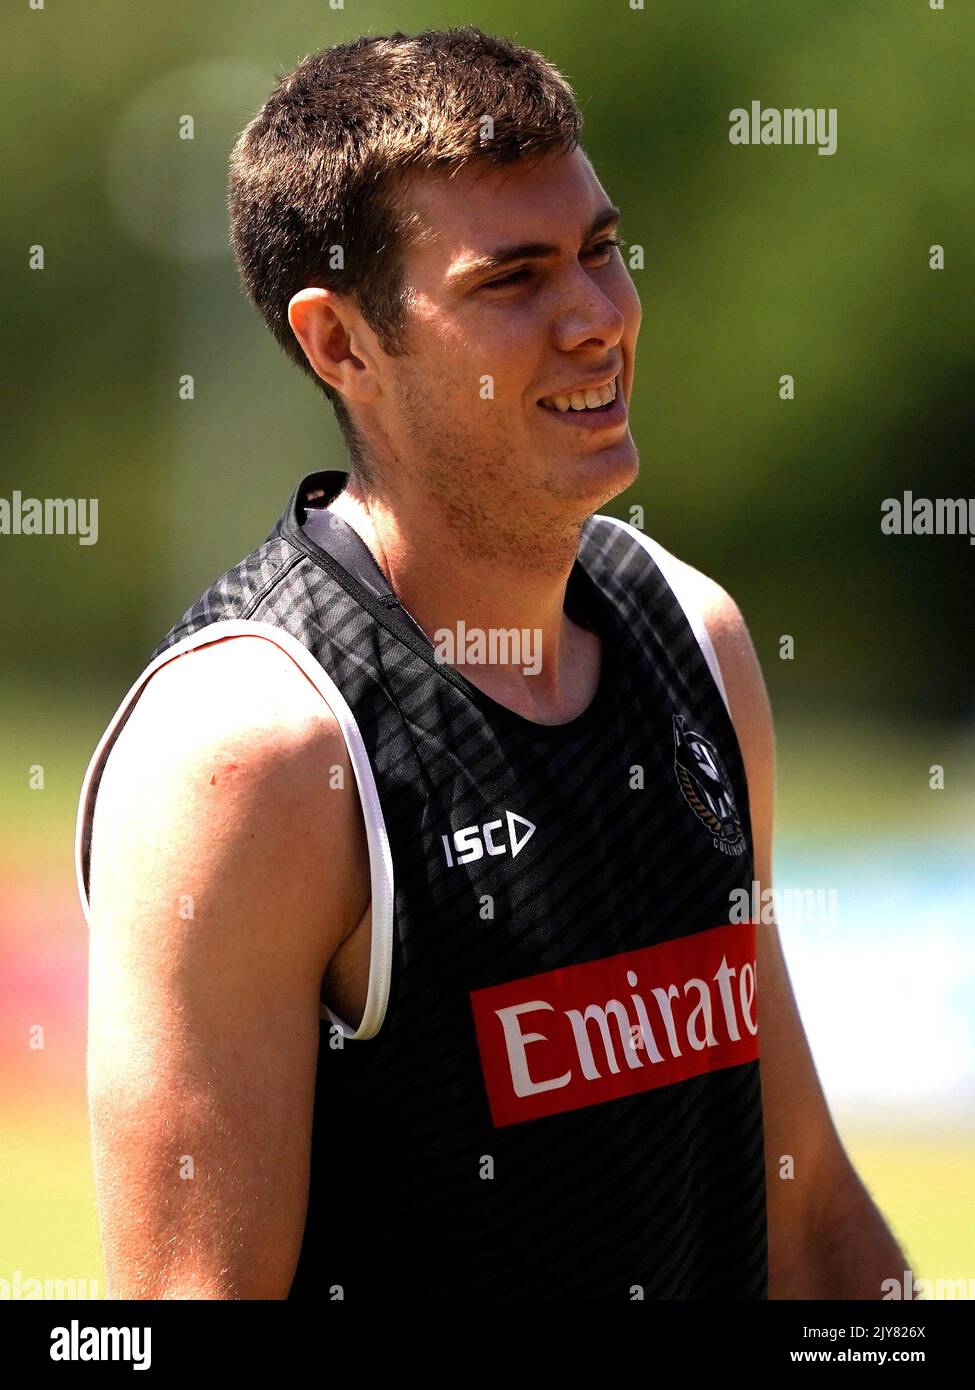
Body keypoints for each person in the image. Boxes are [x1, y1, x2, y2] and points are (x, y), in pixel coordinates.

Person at [76, 26, 908, 1299]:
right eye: (512, 280)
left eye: (600, 251)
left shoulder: (697, 638)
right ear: (341, 343)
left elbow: (804, 1216)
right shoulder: (256, 754)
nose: (597, 319)